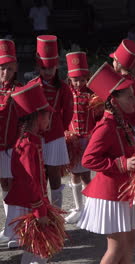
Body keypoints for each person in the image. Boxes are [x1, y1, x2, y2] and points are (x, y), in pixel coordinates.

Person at [77, 63, 135, 264]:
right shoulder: (106, 127)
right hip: (111, 194)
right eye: (130, 96)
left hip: (125, 191)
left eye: (134, 95)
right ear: (114, 101)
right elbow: (88, 159)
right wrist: (122, 164)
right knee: (116, 248)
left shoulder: (121, 122)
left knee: (130, 242)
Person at [4, 81, 55, 263]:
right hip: (30, 205)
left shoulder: (32, 141)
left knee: (37, 251)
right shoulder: (27, 145)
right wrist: (40, 210)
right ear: (37, 117)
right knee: (41, 252)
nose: (50, 120)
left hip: (33, 202)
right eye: (48, 115)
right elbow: (29, 181)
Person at [30, 35, 73, 209]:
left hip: (55, 136)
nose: (47, 72)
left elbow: (68, 112)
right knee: (39, 176)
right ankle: (42, 213)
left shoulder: (63, 88)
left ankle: (56, 214)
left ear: (57, 66)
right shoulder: (32, 85)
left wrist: (58, 129)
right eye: (43, 68)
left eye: (51, 68)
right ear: (38, 67)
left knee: (54, 175)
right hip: (36, 137)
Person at [63, 51, 96, 224]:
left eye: (82, 79)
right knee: (73, 174)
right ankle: (78, 207)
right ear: (70, 79)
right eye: (76, 79)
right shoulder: (66, 93)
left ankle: (89, 208)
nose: (79, 83)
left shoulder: (92, 94)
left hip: (87, 140)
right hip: (72, 140)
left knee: (85, 175)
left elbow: (97, 116)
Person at [0, 39, 20, 248]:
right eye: (1, 69)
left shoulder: (20, 90)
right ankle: (9, 226)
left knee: (13, 187)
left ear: (15, 69)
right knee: (4, 186)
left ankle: (15, 229)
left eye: (8, 69)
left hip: (12, 148)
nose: (5, 73)